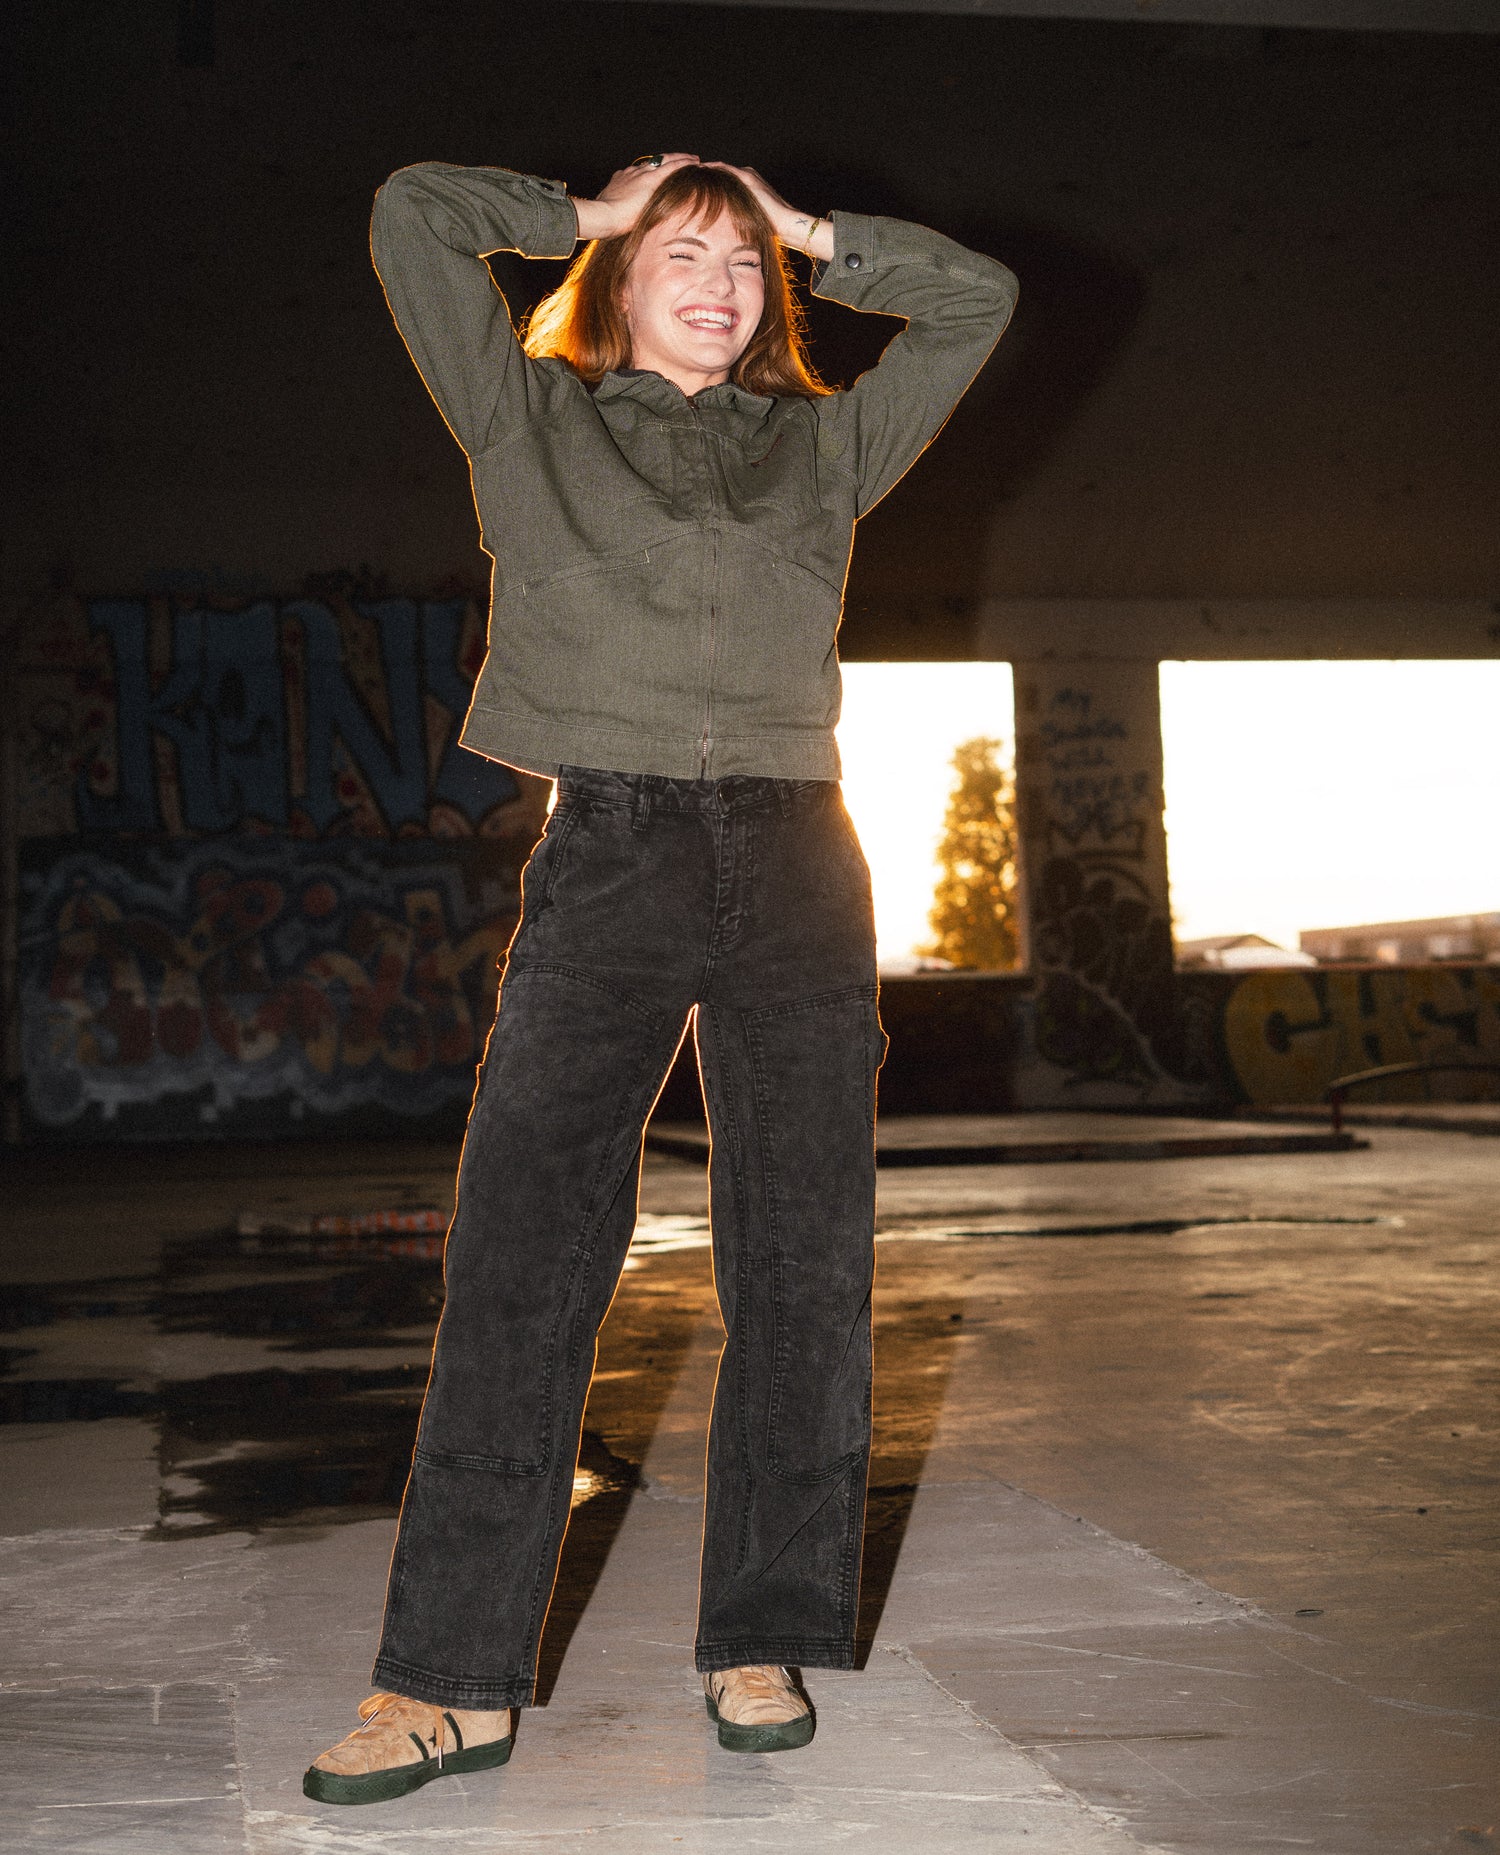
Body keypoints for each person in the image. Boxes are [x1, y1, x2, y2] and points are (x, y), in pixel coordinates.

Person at [303, 149, 1017, 1807]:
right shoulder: (529, 418)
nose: (722, 280)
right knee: (524, 1254)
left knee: (803, 1261)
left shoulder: (825, 444)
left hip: (797, 864)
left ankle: (757, 1634)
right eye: (683, 254)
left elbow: (975, 300)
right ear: (620, 281)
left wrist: (826, 230)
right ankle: (442, 1681)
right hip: (609, 854)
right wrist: (591, 210)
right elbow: (409, 209)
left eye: (749, 265)